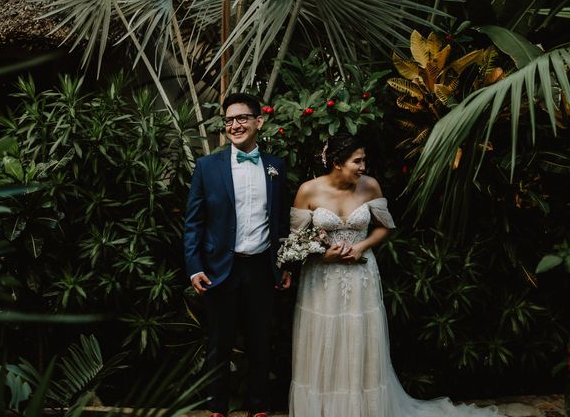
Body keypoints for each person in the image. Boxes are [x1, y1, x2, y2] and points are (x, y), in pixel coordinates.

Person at [288, 134, 501, 416]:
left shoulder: (370, 186)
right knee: (324, 338)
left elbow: (384, 227)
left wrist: (361, 246)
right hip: (322, 278)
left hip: (360, 275)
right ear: (337, 163)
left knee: (359, 336)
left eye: (364, 160)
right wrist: (322, 254)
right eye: (357, 161)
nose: (363, 166)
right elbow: (295, 239)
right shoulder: (308, 190)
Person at [184, 93, 291, 417]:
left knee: (260, 342)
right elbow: (194, 223)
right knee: (218, 344)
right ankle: (216, 409)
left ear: (259, 121)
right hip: (220, 270)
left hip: (260, 268)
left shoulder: (276, 166)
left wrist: (284, 264)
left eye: (242, 118)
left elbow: (281, 220)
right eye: (229, 120)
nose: (235, 125)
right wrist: (194, 268)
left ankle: (258, 408)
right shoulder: (206, 167)